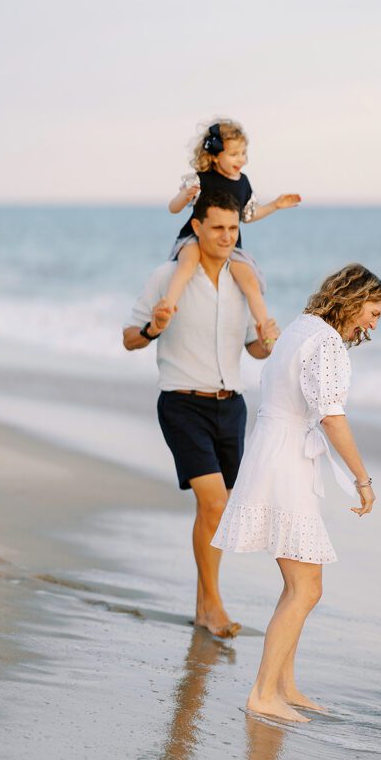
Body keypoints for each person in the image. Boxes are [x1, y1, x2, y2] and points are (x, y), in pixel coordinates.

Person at [212, 263, 381, 722]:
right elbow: (331, 416)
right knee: (307, 587)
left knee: (299, 584)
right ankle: (263, 692)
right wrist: (363, 480)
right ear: (352, 300)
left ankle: (283, 686)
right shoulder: (326, 342)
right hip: (286, 462)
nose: (373, 325)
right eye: (373, 312)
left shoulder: (299, 328)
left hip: (275, 453)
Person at [123, 191, 279, 638]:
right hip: (182, 403)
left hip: (231, 406)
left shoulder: (243, 280)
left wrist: (267, 343)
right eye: (217, 228)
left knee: (217, 513)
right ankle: (214, 607)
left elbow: (254, 346)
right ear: (197, 227)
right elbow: (129, 338)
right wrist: (154, 326)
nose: (227, 237)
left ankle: (202, 606)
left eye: (233, 229)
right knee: (214, 503)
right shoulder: (167, 277)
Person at [164, 117, 301, 336]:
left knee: (249, 278)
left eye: (244, 153)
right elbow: (173, 208)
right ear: (216, 157)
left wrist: (275, 205)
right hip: (196, 236)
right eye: (234, 154)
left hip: (230, 243)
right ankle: (167, 308)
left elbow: (248, 215)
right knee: (187, 263)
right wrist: (184, 195)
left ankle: (265, 327)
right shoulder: (200, 179)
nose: (242, 159)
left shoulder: (243, 182)